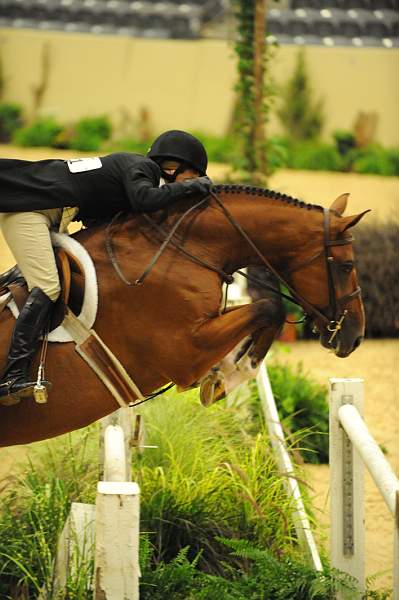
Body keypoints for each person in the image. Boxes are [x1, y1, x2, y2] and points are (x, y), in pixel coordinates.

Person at [0, 129, 212, 402]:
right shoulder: (142, 167)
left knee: (48, 276)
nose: (193, 184)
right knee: (49, 286)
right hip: (30, 212)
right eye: (194, 176)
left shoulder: (135, 175)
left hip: (48, 216)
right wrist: (192, 187)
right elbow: (144, 200)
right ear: (174, 168)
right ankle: (12, 376)